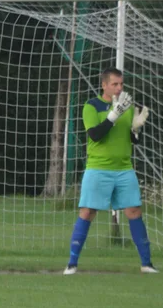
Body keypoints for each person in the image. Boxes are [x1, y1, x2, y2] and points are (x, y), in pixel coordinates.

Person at [64, 67, 157, 275]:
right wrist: (114, 115)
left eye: (121, 84)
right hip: (98, 168)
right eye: (114, 84)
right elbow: (95, 135)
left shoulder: (128, 106)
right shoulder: (91, 105)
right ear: (104, 85)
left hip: (124, 168)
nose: (119, 88)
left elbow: (131, 140)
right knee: (87, 212)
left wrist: (136, 129)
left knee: (134, 211)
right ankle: (72, 263)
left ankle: (147, 264)